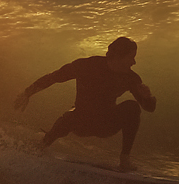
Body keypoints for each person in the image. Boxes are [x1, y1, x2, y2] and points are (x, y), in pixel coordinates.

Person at [13, 36, 157, 171]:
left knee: (132, 107)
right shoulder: (87, 66)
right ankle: (41, 146)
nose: (134, 62)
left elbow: (149, 108)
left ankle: (124, 159)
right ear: (119, 56)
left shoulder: (131, 78)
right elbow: (54, 77)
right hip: (82, 122)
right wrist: (27, 93)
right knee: (69, 117)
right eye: (131, 57)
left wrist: (147, 97)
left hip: (106, 124)